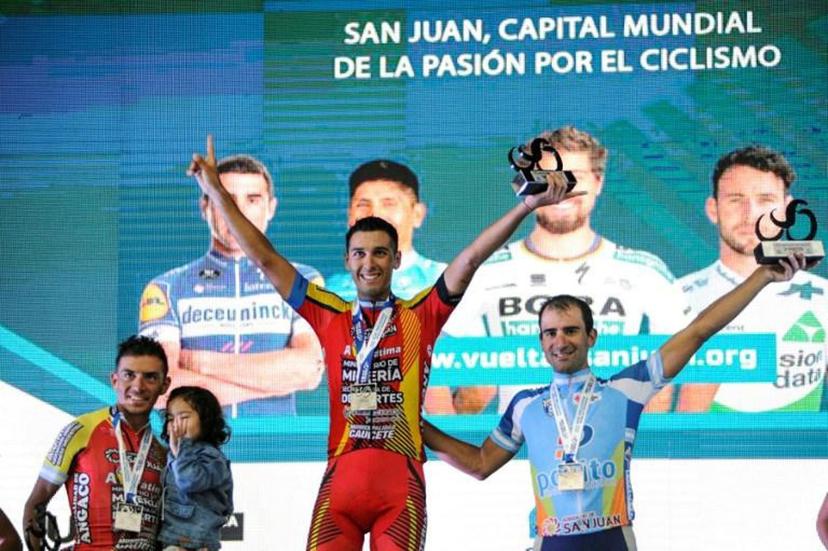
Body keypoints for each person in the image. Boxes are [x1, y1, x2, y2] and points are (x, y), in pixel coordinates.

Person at [187, 134, 582, 551]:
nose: (369, 262)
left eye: (379, 253)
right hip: (339, 484)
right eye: (359, 253)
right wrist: (215, 189)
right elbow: (266, 258)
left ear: (395, 259)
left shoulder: (421, 314)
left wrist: (526, 205)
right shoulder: (329, 315)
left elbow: (469, 259)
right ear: (347, 260)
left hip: (401, 487)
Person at [424, 253, 811, 550]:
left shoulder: (626, 389)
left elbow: (697, 332)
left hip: (613, 540)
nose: (561, 341)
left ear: (592, 336)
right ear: (541, 342)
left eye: (572, 330)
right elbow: (479, 464)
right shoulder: (525, 405)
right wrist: (418, 427)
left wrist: (762, 276)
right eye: (551, 333)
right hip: (550, 541)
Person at [445, 126, 689, 414]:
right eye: (546, 179)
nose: (560, 190)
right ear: (526, 186)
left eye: (575, 178)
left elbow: (676, 377)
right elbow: (445, 386)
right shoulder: (486, 274)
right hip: (517, 452)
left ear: (598, 183)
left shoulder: (646, 272)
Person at [139, 153, 323, 417]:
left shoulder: (303, 281)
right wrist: (274, 382)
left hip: (276, 449)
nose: (238, 212)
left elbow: (307, 370)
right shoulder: (165, 288)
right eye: (225, 199)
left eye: (253, 199)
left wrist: (202, 362)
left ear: (271, 208)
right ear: (205, 207)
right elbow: (158, 388)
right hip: (195, 450)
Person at [677, 145, 827, 412]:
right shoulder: (676, 297)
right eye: (736, 200)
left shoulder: (823, 297)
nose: (751, 215)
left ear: (787, 210)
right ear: (713, 210)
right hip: (708, 451)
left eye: (766, 200)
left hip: (801, 452)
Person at [23, 336, 170, 551]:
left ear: (164, 385)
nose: (138, 387)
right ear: (114, 380)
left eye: (150, 377)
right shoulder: (80, 430)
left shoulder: (162, 452)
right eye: (129, 375)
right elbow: (36, 503)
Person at [325, 159, 446, 300]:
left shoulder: (445, 282)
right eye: (363, 204)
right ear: (350, 216)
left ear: (417, 214)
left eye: (389, 204)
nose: (375, 214)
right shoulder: (331, 290)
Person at [159, 386, 233, 551]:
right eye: (171, 418)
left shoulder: (211, 456)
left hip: (195, 541)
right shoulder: (175, 453)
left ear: (206, 420)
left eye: (184, 417)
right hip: (173, 536)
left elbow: (189, 481)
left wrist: (180, 450)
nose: (176, 424)